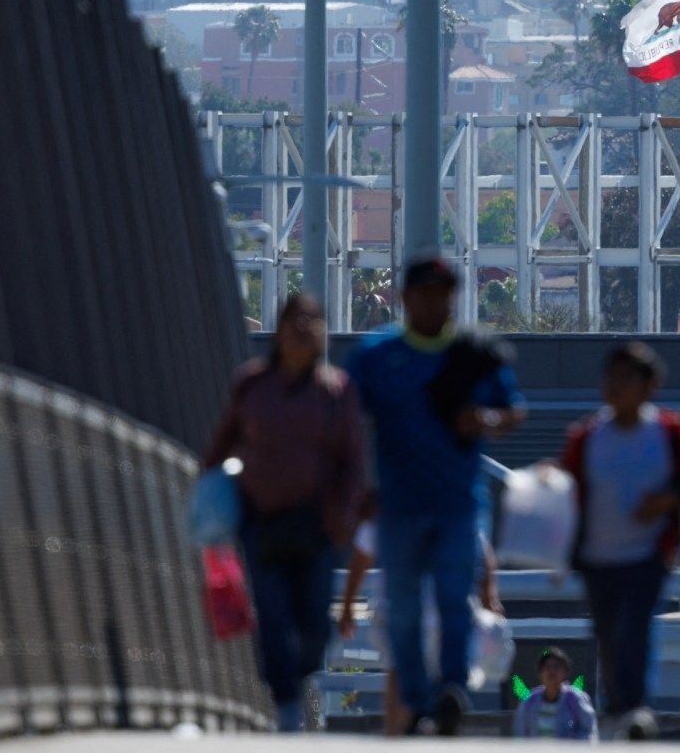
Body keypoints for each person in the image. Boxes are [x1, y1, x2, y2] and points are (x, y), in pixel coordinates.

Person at [345, 254, 524, 736]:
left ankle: (450, 690)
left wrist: (487, 420)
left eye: (444, 294)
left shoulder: (474, 352)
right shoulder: (376, 355)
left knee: (452, 599)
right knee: (401, 608)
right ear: (404, 298)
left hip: (457, 504)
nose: (435, 303)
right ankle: (420, 701)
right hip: (397, 505)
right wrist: (358, 485)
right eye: (424, 293)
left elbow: (513, 410)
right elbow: (347, 421)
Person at [202, 293, 366, 732]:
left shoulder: (336, 391)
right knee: (271, 615)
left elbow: (353, 460)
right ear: (278, 330)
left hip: (316, 526)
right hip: (262, 522)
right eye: (295, 321)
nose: (303, 329)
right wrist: (210, 494)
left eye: (313, 321)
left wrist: (345, 515)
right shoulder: (251, 385)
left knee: (314, 623)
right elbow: (221, 444)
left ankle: (301, 676)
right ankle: (286, 702)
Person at [559, 342, 680, 739]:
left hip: (648, 553)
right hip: (597, 557)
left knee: (635, 628)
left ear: (651, 385)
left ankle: (634, 708)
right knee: (608, 635)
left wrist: (666, 500)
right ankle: (618, 706)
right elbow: (569, 486)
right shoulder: (586, 437)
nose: (615, 386)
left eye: (627, 378)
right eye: (610, 377)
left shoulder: (669, 431)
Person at [336, 503, 504, 736]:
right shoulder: (452, 499)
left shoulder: (390, 499)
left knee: (399, 674)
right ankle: (433, 726)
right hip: (445, 609)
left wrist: (347, 606)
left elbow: (362, 554)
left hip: (401, 604)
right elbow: (481, 552)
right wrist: (489, 596)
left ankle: (399, 736)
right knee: (441, 679)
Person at [512, 647, 599, 740]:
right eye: (547, 667)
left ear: (565, 672)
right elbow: (519, 735)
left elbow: (589, 733)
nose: (551, 671)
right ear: (540, 673)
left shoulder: (576, 699)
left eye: (556, 667)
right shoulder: (529, 701)